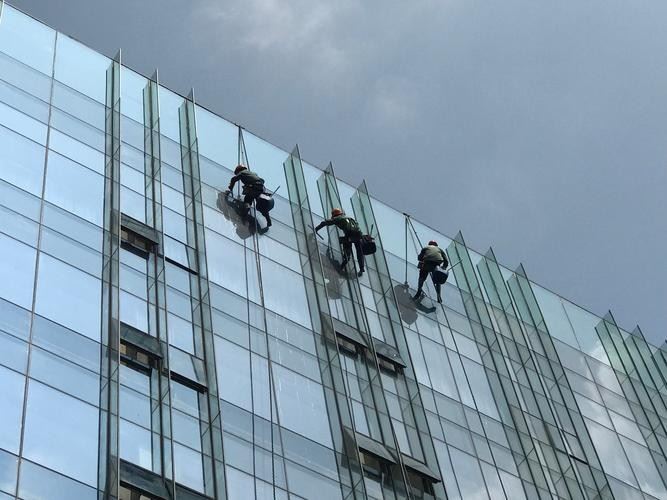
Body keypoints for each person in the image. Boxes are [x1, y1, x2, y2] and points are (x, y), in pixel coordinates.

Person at [315, 208, 365, 276]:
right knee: (359, 251)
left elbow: (324, 223)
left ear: (335, 215)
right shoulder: (350, 218)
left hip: (350, 236)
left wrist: (316, 229)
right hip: (358, 236)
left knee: (342, 241)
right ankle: (361, 268)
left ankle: (346, 259)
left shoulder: (338, 218)